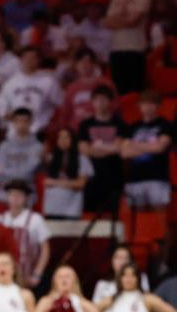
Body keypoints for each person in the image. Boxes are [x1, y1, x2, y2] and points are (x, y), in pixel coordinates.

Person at [121, 90, 173, 212]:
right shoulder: (132, 127)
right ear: (139, 106)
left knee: (160, 218)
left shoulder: (166, 125)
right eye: (144, 103)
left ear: (158, 105)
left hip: (157, 177)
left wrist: (134, 145)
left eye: (151, 103)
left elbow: (160, 148)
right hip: (135, 178)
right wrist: (151, 147)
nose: (148, 107)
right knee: (139, 220)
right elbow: (124, 152)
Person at [77, 85, 126, 215]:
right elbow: (83, 149)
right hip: (91, 176)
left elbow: (118, 147)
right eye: (97, 100)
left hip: (114, 174)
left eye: (104, 100)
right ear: (92, 102)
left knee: (113, 213)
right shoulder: (85, 124)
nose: (100, 103)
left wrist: (96, 147)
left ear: (110, 102)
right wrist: (107, 148)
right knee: (89, 211)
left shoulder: (119, 123)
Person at [0, 181, 50, 289]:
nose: (15, 198)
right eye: (12, 194)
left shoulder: (35, 219)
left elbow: (45, 250)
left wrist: (37, 274)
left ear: (26, 198)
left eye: (19, 195)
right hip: (2, 276)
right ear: (7, 197)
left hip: (26, 277)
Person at [43, 127, 94, 219]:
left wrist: (55, 182)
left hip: (72, 210)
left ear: (73, 139)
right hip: (51, 208)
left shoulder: (82, 159)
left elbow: (80, 183)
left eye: (66, 137)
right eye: (60, 137)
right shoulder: (50, 159)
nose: (63, 140)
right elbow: (45, 181)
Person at [0, 108, 44, 198]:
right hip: (5, 194)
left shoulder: (38, 147)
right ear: (13, 123)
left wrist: (11, 177)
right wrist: (12, 182)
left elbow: (31, 172)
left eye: (25, 121)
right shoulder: (4, 146)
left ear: (30, 122)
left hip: (28, 195)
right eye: (18, 121)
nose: (22, 125)